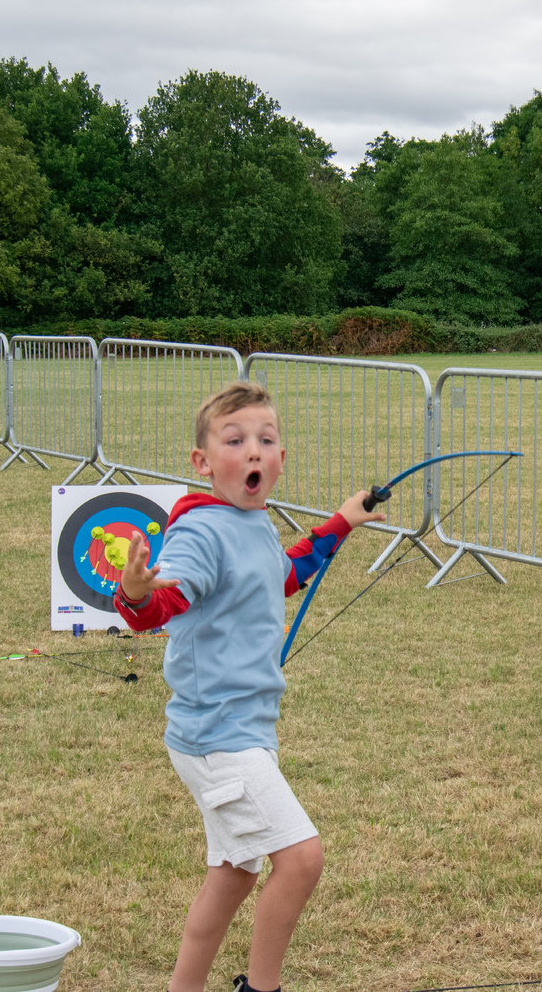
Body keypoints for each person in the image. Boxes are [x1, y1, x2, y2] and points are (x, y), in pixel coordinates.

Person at [113, 380, 387, 992]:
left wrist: (344, 520)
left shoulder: (252, 522)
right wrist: (135, 592)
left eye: (266, 440)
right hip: (217, 737)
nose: (254, 450)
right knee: (301, 859)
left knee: (234, 874)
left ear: (281, 459)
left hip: (241, 732)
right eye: (235, 441)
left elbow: (282, 573)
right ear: (203, 462)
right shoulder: (202, 532)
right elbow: (167, 599)